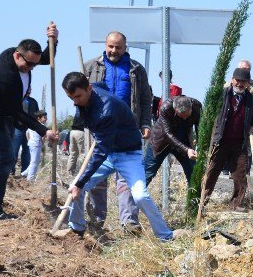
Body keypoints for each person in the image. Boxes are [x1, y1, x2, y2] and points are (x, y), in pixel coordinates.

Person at [60, 73, 173, 241]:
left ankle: (165, 235)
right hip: (109, 152)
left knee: (140, 196)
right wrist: (79, 184)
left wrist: (81, 181)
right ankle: (76, 228)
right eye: (71, 98)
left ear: (89, 88)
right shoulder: (94, 89)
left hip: (128, 154)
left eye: (78, 96)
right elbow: (103, 85)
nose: (75, 101)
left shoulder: (106, 111)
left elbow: (100, 152)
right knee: (75, 187)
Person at [0, 31, 59, 219]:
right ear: (17, 55)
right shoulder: (4, 75)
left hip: (5, 118)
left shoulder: (17, 57)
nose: (31, 68)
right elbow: (17, 111)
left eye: (34, 64)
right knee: (5, 159)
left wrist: (53, 42)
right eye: (28, 64)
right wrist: (43, 131)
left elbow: (45, 59)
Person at [84, 31, 153, 230]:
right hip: (99, 130)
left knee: (127, 179)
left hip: (127, 131)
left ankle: (129, 222)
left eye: (118, 47)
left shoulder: (136, 70)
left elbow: (145, 99)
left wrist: (145, 124)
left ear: (125, 48)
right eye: (111, 46)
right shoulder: (90, 67)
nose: (114, 51)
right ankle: (96, 221)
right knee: (96, 176)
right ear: (105, 45)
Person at [200, 67, 253, 210]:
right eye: (237, 80)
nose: (240, 84)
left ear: (248, 84)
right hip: (220, 141)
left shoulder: (251, 100)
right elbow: (208, 114)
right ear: (232, 80)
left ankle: (235, 205)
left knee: (240, 175)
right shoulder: (222, 95)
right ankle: (201, 203)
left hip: (239, 144)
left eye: (243, 82)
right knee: (211, 173)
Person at [144, 95, 201, 185]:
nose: (185, 118)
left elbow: (200, 127)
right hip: (161, 142)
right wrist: (187, 150)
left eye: (187, 115)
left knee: (193, 174)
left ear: (191, 107)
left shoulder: (197, 106)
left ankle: (193, 198)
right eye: (181, 116)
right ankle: (134, 198)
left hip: (184, 141)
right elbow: (168, 134)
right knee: (147, 173)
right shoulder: (166, 107)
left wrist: (200, 147)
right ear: (175, 110)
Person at [22, 110, 48, 181]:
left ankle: (24, 174)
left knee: (33, 161)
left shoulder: (32, 125)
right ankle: (30, 179)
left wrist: (29, 141)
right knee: (35, 162)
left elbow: (27, 133)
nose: (46, 119)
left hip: (31, 144)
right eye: (44, 117)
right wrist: (42, 144)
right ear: (38, 118)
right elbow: (43, 137)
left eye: (46, 117)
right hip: (36, 144)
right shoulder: (41, 126)